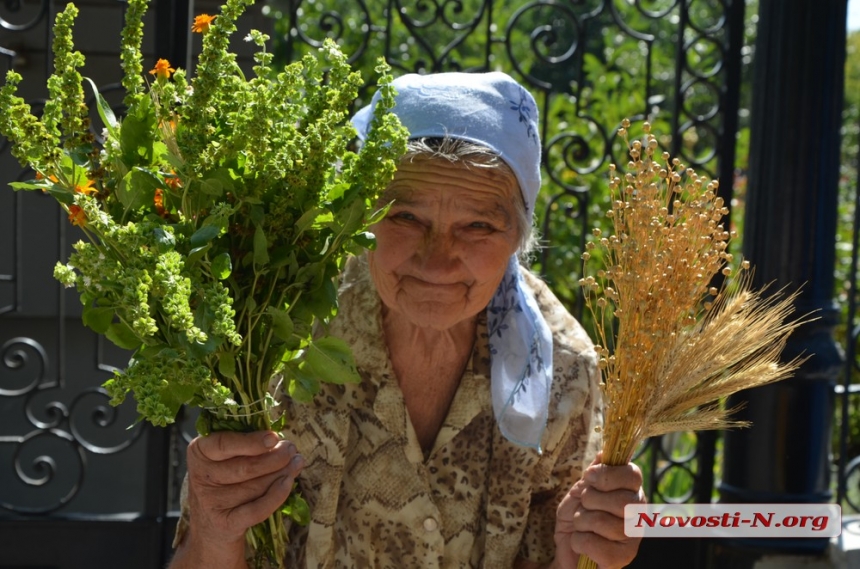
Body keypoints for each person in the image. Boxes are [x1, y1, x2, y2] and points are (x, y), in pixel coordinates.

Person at [169, 72, 646, 568]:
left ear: (516, 239)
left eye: (477, 226)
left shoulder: (561, 371)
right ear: (360, 216)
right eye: (406, 218)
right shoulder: (276, 341)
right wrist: (214, 528)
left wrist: (584, 556)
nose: (437, 262)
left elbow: (563, 551)